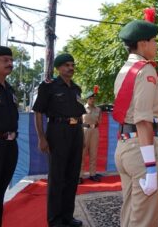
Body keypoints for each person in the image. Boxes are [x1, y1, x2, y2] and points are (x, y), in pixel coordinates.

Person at [33, 53, 85, 227]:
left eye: (72, 65)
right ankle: (55, 220)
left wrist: (82, 135)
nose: (70, 68)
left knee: (72, 176)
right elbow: (38, 112)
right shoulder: (49, 86)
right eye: (66, 65)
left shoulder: (76, 88)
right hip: (58, 131)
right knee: (57, 177)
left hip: (76, 131)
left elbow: (79, 114)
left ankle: (67, 217)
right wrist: (42, 138)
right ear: (58, 68)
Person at [0, 46, 18, 227]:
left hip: (10, 146)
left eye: (11, 60)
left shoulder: (9, 89)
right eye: (5, 60)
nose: (10, 64)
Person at [79, 90, 102, 184]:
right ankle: (80, 175)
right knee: (82, 154)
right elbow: (79, 121)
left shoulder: (98, 110)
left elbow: (99, 121)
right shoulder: (82, 108)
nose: (92, 100)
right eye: (91, 98)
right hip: (84, 131)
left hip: (95, 131)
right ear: (87, 99)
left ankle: (92, 174)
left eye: (94, 98)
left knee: (93, 153)